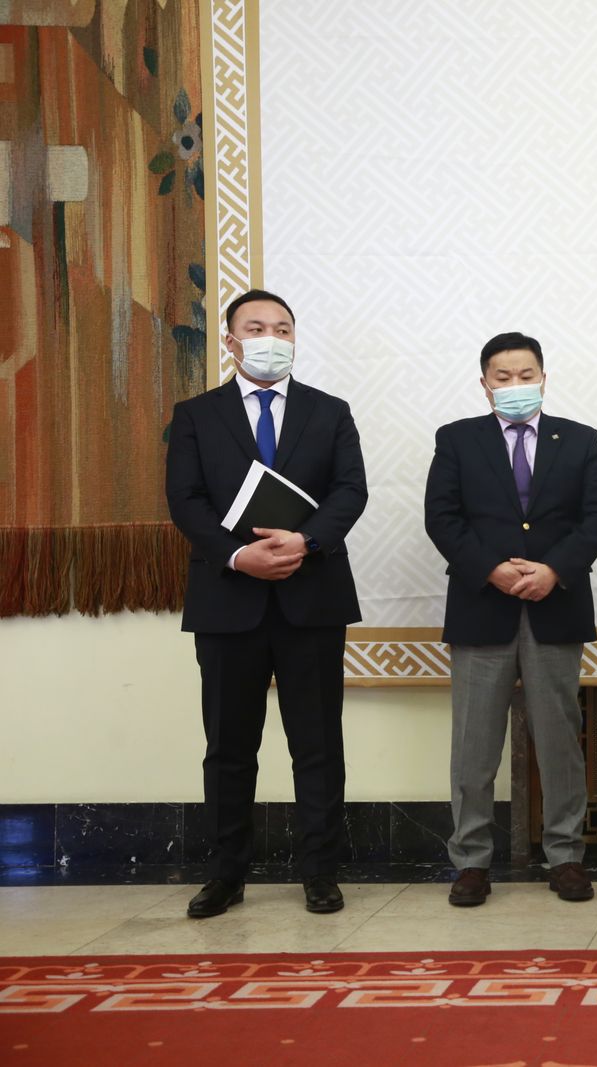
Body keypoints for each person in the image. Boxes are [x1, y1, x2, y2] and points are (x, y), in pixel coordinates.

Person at [165, 288, 368, 917]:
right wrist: (235, 555)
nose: (270, 337)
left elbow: (349, 491)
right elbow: (185, 501)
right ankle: (225, 875)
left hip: (312, 599)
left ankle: (320, 872)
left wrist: (305, 540)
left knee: (317, 742)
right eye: (256, 327)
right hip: (228, 602)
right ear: (229, 340)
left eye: (282, 328)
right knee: (228, 746)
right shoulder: (196, 415)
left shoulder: (330, 412)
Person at [424, 331, 597, 906]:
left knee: (560, 740)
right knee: (474, 744)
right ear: (484, 385)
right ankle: (472, 861)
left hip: (555, 606)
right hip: (483, 607)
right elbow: (443, 518)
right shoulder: (457, 440)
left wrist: (554, 570)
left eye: (525, 374)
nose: (515, 386)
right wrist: (493, 570)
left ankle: (566, 856)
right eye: (502, 377)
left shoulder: (579, 440)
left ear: (543, 378)